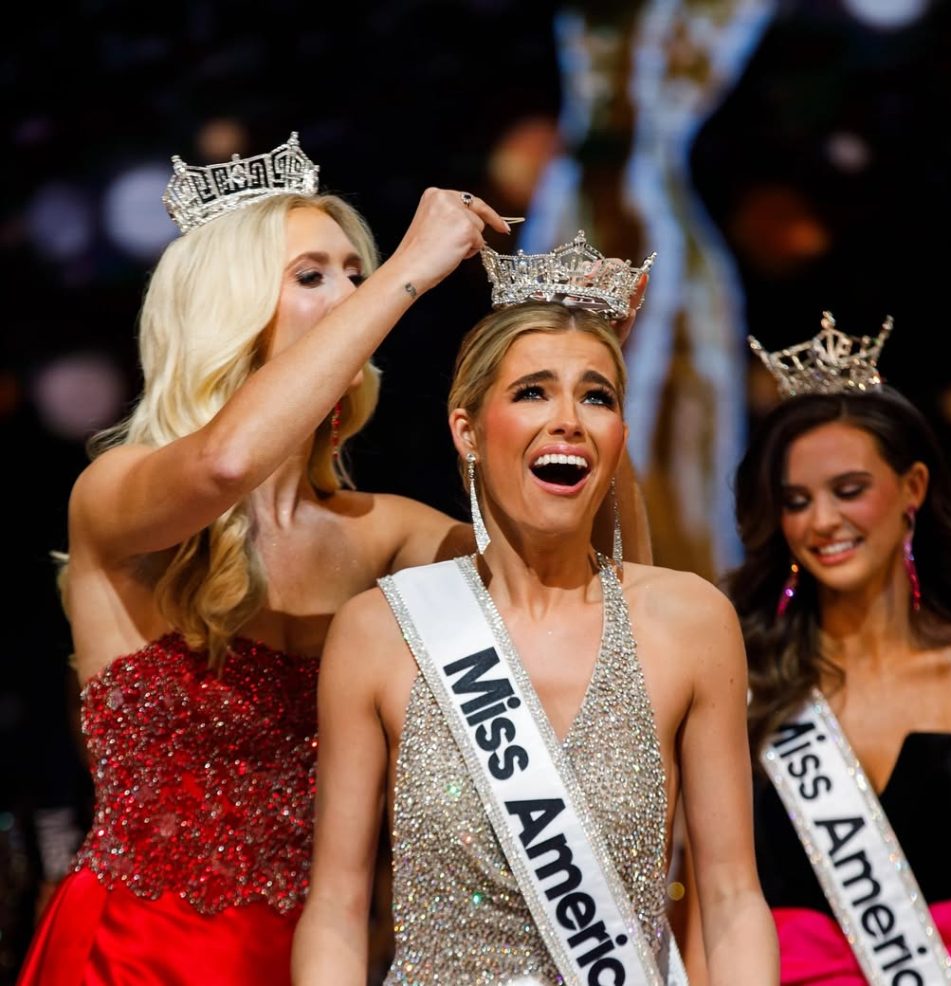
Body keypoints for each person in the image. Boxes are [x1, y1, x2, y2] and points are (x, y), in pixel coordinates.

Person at [14, 131, 520, 986]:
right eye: (312, 276)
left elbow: (580, 590)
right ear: (230, 308)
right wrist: (407, 272)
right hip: (134, 957)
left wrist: (588, 371)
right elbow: (225, 462)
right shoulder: (116, 492)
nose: (353, 296)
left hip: (315, 958)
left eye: (356, 273)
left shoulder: (381, 531)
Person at [292, 281, 779, 984]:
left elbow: (732, 900)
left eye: (597, 396)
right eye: (532, 392)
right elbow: (337, 908)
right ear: (466, 430)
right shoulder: (380, 632)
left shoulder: (691, 621)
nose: (569, 420)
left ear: (620, 437)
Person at [726, 312, 951, 985]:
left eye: (849, 491)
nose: (823, 521)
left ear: (912, 489)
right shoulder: (747, 680)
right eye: (797, 501)